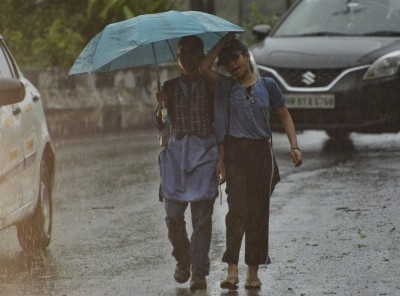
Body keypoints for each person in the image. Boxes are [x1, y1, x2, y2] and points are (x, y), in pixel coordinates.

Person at [200, 34, 303, 291]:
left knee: (258, 214)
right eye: (226, 63)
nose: (232, 65)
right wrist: (221, 42)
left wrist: (294, 146)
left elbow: (285, 116)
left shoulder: (268, 85)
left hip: (261, 154)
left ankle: (252, 272)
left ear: (246, 56)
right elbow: (203, 68)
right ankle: (232, 271)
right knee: (237, 211)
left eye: (235, 58)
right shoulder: (226, 86)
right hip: (236, 153)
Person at [153, 35, 224, 292]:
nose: (189, 59)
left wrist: (222, 159)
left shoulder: (212, 86)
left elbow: (222, 123)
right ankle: (183, 259)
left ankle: (199, 273)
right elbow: (160, 126)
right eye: (184, 54)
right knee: (173, 217)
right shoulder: (169, 87)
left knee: (202, 220)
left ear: (202, 55)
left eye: (195, 54)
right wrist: (159, 107)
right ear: (178, 57)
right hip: (175, 156)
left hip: (205, 154)